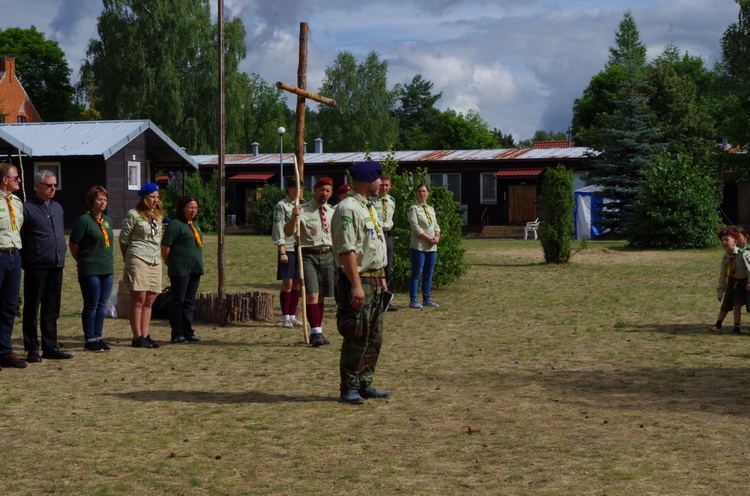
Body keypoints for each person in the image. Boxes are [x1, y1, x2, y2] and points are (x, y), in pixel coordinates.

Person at [331, 160, 390, 404]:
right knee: (357, 333)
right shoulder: (348, 209)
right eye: (378, 179)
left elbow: (374, 246)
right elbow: (347, 251)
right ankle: (349, 387)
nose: (381, 184)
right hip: (358, 280)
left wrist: (382, 277)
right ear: (367, 180)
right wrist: (356, 285)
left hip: (375, 281)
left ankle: (366, 382)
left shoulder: (368, 207)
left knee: (374, 335)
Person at [21, 170, 72, 362]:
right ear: (37, 186)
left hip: (56, 264)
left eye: (54, 185)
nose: (52, 189)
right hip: (37, 264)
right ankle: (32, 347)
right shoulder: (27, 208)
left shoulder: (57, 208)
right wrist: (28, 259)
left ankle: (50, 346)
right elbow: (23, 238)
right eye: (48, 185)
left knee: (52, 308)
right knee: (32, 307)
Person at [286, 177, 335, 347]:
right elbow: (287, 231)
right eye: (322, 190)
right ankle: (315, 331)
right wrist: (294, 218)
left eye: (328, 191)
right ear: (315, 190)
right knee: (312, 294)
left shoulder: (332, 212)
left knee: (321, 295)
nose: (324, 193)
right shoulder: (303, 210)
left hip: (328, 255)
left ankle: (318, 330)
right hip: (308, 255)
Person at [69, 186, 115, 352]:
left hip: (106, 269)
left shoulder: (108, 221)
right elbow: (74, 245)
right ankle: (90, 339)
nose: (102, 202)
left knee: (102, 305)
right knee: (92, 304)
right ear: (91, 201)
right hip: (90, 270)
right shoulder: (84, 221)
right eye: (99, 199)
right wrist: (83, 261)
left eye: (105, 199)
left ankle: (98, 336)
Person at [120, 182, 163, 349]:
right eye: (152, 197)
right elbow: (124, 240)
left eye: (157, 197)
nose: (155, 200)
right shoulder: (133, 215)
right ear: (144, 198)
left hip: (155, 259)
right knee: (138, 298)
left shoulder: (157, 216)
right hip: (138, 257)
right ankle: (137, 336)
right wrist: (128, 258)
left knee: (150, 299)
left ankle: (145, 335)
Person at [161, 196, 204, 344]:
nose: (194, 210)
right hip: (180, 269)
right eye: (191, 207)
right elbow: (165, 247)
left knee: (189, 301)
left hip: (194, 268)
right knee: (178, 300)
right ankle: (177, 333)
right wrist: (171, 262)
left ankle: (188, 331)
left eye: (195, 207)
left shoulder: (194, 224)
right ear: (183, 208)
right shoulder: (175, 225)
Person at [0, 162, 26, 369]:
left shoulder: (16, 202)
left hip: (14, 256)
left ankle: (4, 351)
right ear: (5, 180)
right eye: (16, 177)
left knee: (9, 307)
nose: (19, 180)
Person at [272, 179, 303, 329]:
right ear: (288, 188)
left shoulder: (302, 205)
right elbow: (278, 228)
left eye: (300, 188)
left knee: (297, 282)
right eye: (294, 187)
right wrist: (281, 250)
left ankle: (292, 315)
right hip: (288, 248)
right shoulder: (281, 206)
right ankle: (285, 317)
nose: (297, 190)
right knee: (288, 282)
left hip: (301, 247)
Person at [407, 183, 441, 309]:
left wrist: (437, 236)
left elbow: (436, 225)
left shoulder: (431, 209)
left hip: (432, 247)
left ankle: (427, 298)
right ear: (416, 193)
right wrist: (429, 238)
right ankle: (413, 300)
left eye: (424, 191)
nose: (422, 193)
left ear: (428, 193)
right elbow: (415, 228)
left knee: (428, 274)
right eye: (420, 191)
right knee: (417, 273)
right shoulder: (413, 209)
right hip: (419, 246)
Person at [712, 228, 750, 335]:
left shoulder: (744, 253)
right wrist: (720, 291)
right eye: (722, 240)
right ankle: (736, 327)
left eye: (727, 240)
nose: (724, 242)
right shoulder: (726, 257)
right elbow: (722, 275)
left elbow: (749, 269)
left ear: (735, 241)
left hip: (747, 283)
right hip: (738, 283)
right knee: (736, 304)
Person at [371, 173, 397, 311]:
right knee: (376, 265)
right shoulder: (371, 201)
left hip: (388, 235)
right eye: (382, 185)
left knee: (388, 267)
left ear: (390, 186)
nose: (384, 188)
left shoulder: (392, 200)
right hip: (376, 235)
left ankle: (387, 298)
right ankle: (375, 297)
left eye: (387, 185)